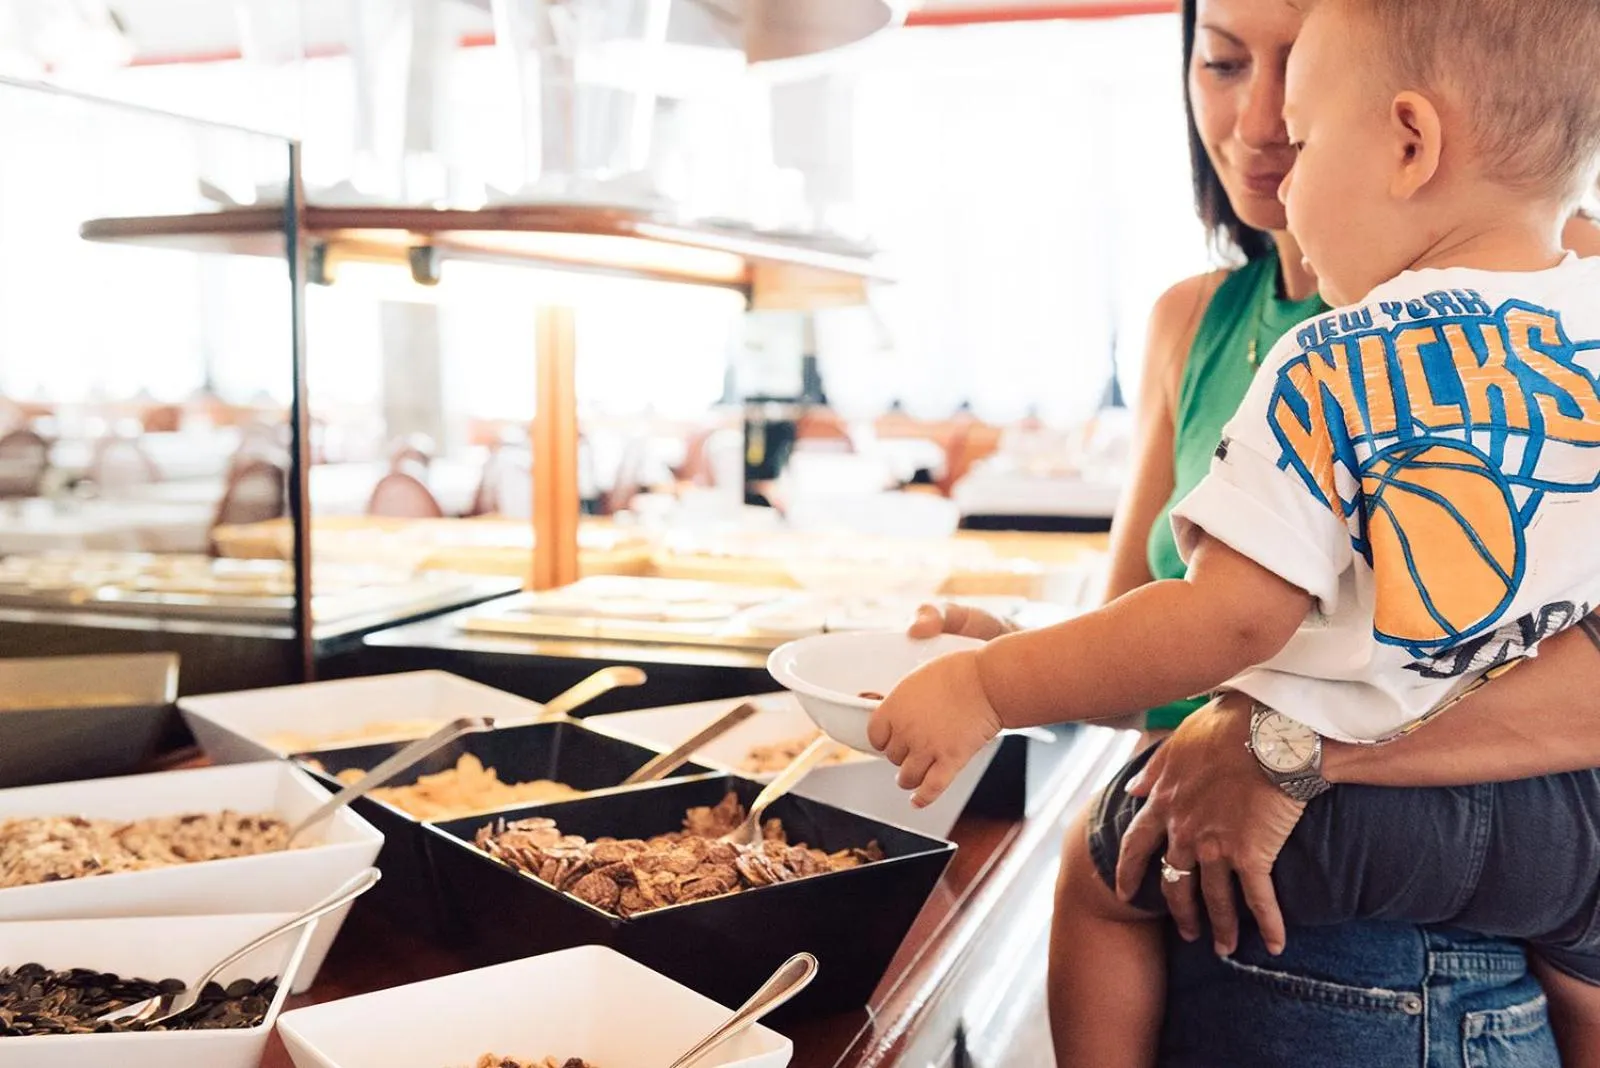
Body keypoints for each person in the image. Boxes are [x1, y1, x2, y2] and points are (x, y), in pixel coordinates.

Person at [875, 0, 1600, 1064]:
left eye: (1305, 133)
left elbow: (1226, 622)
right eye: (1220, 62)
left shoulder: (1331, 359)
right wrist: (1024, 644)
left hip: (1345, 831)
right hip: (1562, 835)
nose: (1271, 149)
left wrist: (987, 689)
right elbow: (1144, 638)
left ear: (1409, 140)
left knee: (1097, 868)